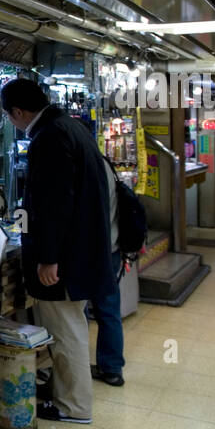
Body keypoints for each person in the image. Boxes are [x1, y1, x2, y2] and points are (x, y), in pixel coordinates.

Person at [1, 79, 116, 424]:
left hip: (64, 260)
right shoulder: (72, 128)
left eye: (9, 116)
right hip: (83, 253)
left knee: (66, 333)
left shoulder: (48, 138)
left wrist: (49, 258)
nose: (10, 122)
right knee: (72, 327)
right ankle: (68, 398)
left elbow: (53, 204)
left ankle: (73, 407)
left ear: (18, 112)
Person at [90, 163, 124, 386]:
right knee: (109, 310)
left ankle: (79, 366)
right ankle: (112, 368)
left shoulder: (88, 166)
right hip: (112, 247)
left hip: (94, 251)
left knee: (80, 312)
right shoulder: (107, 166)